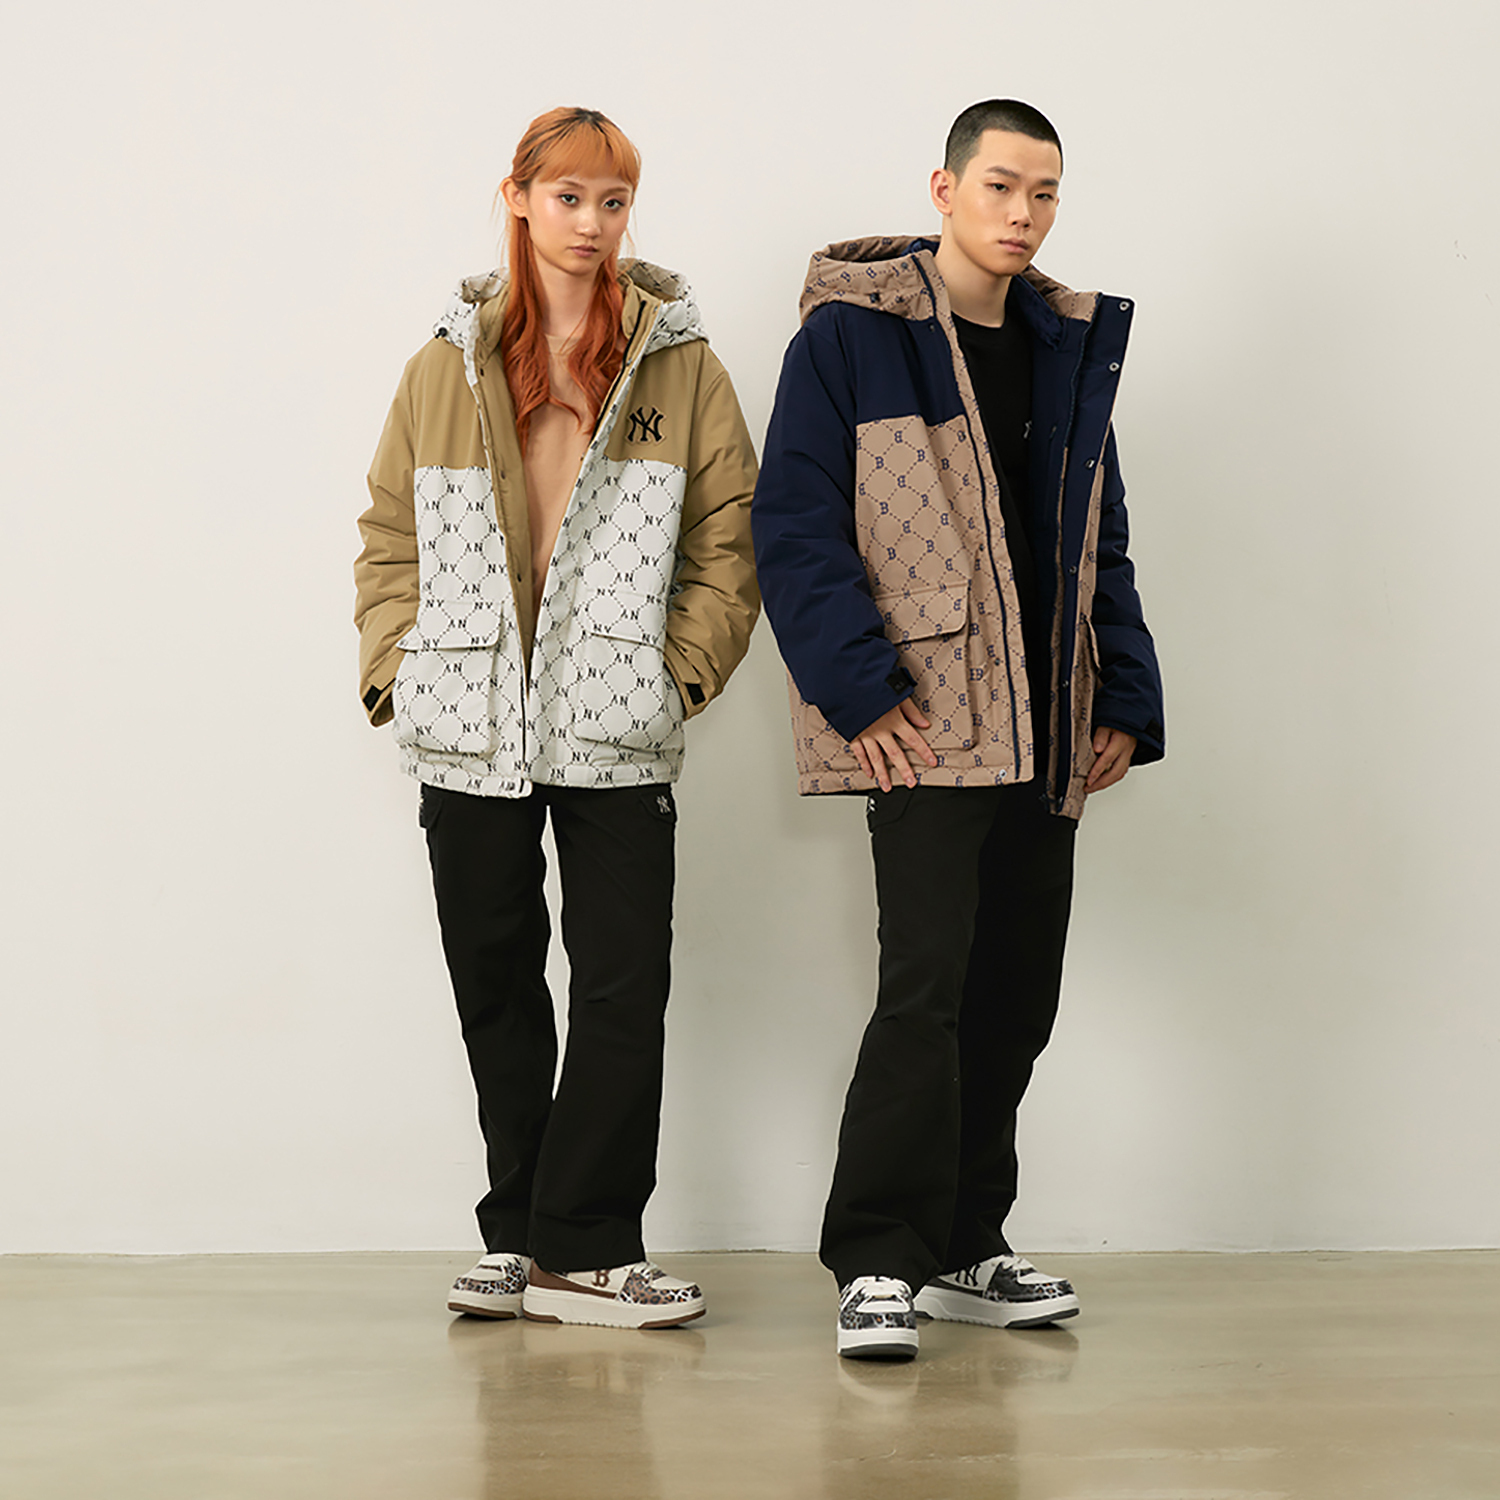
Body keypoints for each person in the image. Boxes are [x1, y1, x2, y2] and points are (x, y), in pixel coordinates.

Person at [752, 99, 1164, 1359]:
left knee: (1013, 997)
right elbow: (796, 523)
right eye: (1000, 187)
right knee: (923, 994)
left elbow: (1099, 541)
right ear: (944, 190)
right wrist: (859, 692)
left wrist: (1124, 697)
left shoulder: (1062, 346)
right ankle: (877, 1259)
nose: (1024, 214)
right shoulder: (852, 339)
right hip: (930, 722)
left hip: (1049, 719)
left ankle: (967, 1245)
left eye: (1045, 192)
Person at [355, 106, 759, 1329]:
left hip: (617, 723)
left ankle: (592, 1246)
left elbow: (728, 541)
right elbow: (388, 536)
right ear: (519, 197)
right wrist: (398, 670)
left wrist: (677, 675)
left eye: (613, 201)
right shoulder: (443, 366)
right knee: (497, 981)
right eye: (569, 196)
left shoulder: (681, 369)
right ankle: (521, 1235)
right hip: (467, 721)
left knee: (623, 986)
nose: (591, 223)